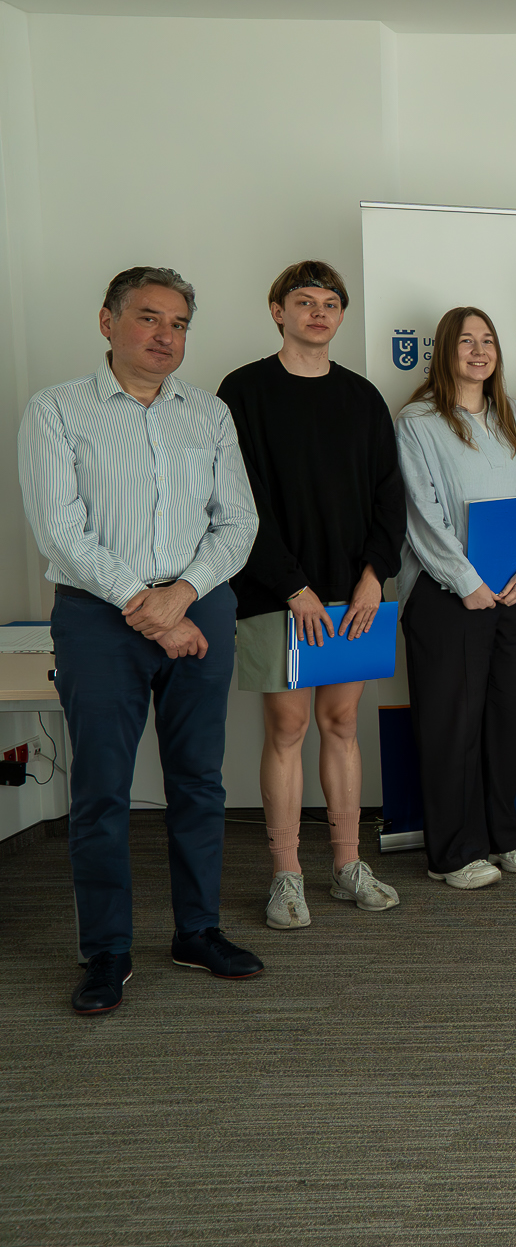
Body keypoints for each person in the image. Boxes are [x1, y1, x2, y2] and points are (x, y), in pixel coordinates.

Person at [20, 267, 264, 1014]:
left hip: (200, 606)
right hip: (98, 617)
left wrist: (181, 595)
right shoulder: (56, 409)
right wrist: (144, 603)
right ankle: (106, 950)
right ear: (108, 322)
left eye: (179, 324)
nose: (166, 336)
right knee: (101, 788)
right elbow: (60, 528)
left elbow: (239, 522)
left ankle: (197, 930)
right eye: (149, 318)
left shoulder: (209, 413)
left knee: (199, 780)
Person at [218, 260, 405, 930]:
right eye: (304, 301)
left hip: (353, 595)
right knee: (288, 728)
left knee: (342, 723)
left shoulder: (362, 396)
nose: (318, 313)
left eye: (330, 303)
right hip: (276, 591)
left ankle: (348, 865)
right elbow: (238, 500)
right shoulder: (243, 390)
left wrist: (374, 574)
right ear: (278, 311)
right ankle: (286, 873)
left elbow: (389, 494)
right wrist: (292, 585)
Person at [394, 307, 516, 890]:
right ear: (445, 350)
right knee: (450, 723)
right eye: (466, 341)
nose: (479, 351)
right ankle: (453, 852)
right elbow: (421, 511)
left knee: (507, 716)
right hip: (446, 592)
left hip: (513, 588)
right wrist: (465, 582)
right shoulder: (418, 421)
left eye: (487, 340)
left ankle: (502, 833)